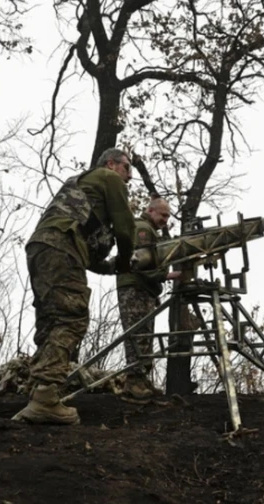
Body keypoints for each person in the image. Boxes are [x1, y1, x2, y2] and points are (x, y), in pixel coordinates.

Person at [16, 148, 136, 424]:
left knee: (51, 319)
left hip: (40, 248)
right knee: (72, 318)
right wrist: (127, 260)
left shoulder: (80, 186)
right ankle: (45, 397)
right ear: (111, 164)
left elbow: (83, 243)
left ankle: (37, 392)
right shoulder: (109, 178)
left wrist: (110, 266)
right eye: (127, 168)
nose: (129, 176)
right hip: (62, 248)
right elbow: (125, 227)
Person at [116, 197, 182, 400]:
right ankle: (133, 380)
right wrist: (165, 276)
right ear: (151, 210)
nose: (165, 220)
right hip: (135, 286)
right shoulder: (142, 229)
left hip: (143, 287)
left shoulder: (150, 230)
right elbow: (140, 262)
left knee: (145, 333)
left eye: (168, 216)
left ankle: (141, 378)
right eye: (163, 215)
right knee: (137, 333)